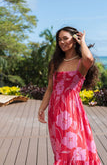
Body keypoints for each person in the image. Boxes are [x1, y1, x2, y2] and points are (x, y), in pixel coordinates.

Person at [38, 26, 101, 164]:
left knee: (73, 148)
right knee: (61, 150)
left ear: (74, 40)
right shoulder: (55, 63)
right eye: (59, 40)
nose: (62, 42)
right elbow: (50, 88)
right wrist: (41, 108)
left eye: (65, 38)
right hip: (55, 110)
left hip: (71, 110)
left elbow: (89, 58)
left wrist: (82, 41)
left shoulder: (81, 62)